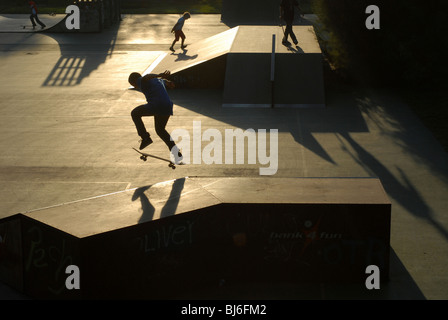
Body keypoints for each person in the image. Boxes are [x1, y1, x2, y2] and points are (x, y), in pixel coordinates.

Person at [128, 70, 183, 163]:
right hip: (167, 106)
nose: (135, 87)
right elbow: (164, 82)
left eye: (133, 85)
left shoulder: (141, 80)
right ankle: (176, 153)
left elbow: (146, 77)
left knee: (134, 113)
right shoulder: (158, 80)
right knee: (160, 130)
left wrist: (159, 74)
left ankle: (145, 137)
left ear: (134, 81)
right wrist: (168, 82)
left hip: (156, 105)